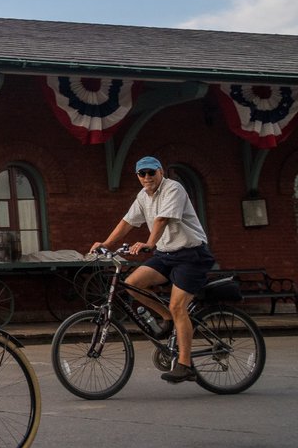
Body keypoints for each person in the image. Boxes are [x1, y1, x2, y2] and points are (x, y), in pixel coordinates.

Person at [91, 156, 215, 383]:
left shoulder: (173, 189)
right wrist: (106, 244)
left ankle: (185, 365)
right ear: (137, 176)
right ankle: (166, 318)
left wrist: (149, 243)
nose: (147, 177)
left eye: (151, 172)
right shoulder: (142, 196)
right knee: (131, 284)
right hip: (166, 255)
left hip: (191, 255)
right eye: (142, 174)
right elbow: (127, 222)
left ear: (160, 172)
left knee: (178, 306)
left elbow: (162, 220)